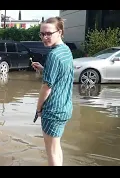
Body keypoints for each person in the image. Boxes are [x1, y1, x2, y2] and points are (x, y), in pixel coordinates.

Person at [31, 17, 74, 166]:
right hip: (65, 107)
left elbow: (47, 87)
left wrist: (38, 109)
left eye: (49, 33)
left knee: (51, 151)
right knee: (56, 148)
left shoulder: (53, 55)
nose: (45, 37)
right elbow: (62, 75)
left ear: (60, 32)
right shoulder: (66, 50)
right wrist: (45, 69)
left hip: (53, 110)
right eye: (42, 34)